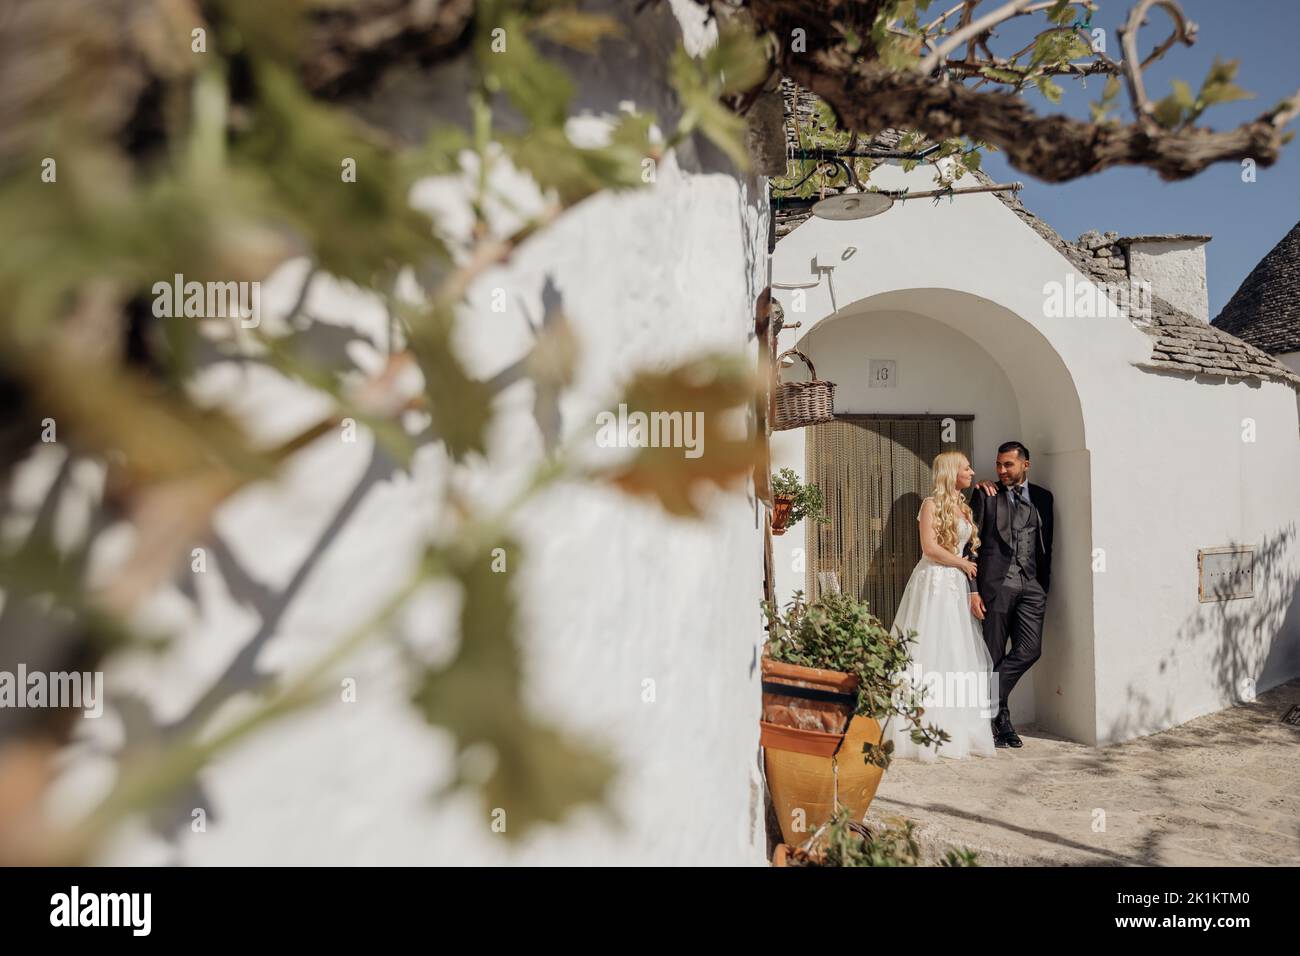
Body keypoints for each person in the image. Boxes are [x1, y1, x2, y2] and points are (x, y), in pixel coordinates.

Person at [886, 451, 997, 762]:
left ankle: (955, 727)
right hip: (934, 581)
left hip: (955, 586)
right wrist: (961, 563)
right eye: (966, 468)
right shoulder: (930, 505)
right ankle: (921, 726)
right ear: (952, 472)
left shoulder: (963, 506)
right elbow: (930, 548)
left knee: (954, 652)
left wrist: (963, 570)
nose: (972, 472)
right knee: (927, 649)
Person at [969, 441, 1055, 748]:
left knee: (1030, 650)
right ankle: (1002, 723)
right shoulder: (986, 494)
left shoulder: (1044, 498)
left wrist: (1042, 585)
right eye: (999, 465)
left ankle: (985, 700)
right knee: (993, 656)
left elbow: (1048, 544)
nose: (1001, 470)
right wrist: (973, 590)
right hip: (996, 585)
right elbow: (971, 546)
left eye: (1008, 465)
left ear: (1025, 465)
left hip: (1032, 586)